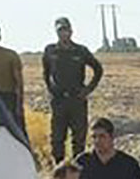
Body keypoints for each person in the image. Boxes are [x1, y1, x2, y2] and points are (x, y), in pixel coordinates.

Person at [43, 17, 103, 163]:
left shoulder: (80, 51)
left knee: (79, 138)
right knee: (57, 139)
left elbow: (98, 69)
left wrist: (88, 90)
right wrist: (51, 89)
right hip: (59, 101)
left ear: (71, 31)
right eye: (60, 31)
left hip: (77, 100)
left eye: (66, 30)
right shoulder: (51, 51)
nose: (63, 34)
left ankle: (78, 171)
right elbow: (46, 72)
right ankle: (60, 170)